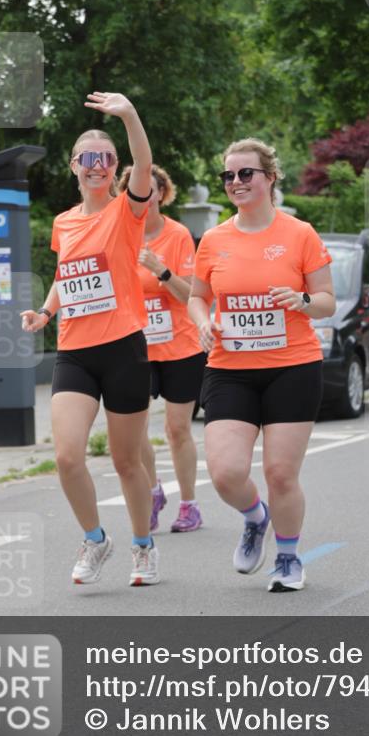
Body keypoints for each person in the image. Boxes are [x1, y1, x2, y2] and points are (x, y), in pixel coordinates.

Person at [21, 91, 160, 587]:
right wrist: (44, 311)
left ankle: (143, 546)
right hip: (76, 352)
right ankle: (96, 539)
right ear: (74, 167)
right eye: (87, 159)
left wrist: (128, 115)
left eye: (105, 159)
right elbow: (67, 272)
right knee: (66, 456)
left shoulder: (127, 211)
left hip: (124, 347)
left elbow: (144, 163)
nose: (96, 166)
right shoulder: (63, 222)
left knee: (126, 461)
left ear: (113, 166)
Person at [188, 138, 335, 592]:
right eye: (228, 176)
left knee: (279, 472)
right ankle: (256, 518)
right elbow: (197, 297)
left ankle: (289, 558)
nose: (236, 182)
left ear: (269, 178)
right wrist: (203, 322)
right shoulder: (214, 240)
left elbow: (328, 301)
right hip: (230, 368)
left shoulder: (299, 234)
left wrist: (303, 300)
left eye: (245, 173)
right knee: (226, 472)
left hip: (293, 365)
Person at [119, 164, 206, 533]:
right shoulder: (121, 234)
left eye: (152, 190)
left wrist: (162, 271)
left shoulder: (178, 235)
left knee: (176, 429)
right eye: (139, 190)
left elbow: (193, 295)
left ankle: (189, 505)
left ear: (161, 193)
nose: (146, 196)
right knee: (134, 431)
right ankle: (154, 492)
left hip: (180, 345)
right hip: (136, 347)